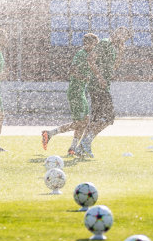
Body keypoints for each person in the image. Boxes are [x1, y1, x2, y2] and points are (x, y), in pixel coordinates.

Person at [79, 27, 131, 158]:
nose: (123, 38)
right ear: (116, 33)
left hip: (102, 86)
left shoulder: (113, 47)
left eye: (126, 37)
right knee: (109, 118)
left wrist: (120, 52)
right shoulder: (104, 43)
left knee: (96, 119)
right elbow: (90, 60)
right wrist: (100, 77)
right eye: (122, 34)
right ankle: (86, 142)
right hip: (98, 86)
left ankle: (81, 148)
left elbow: (114, 67)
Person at [42, 33, 97, 155]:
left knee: (84, 121)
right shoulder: (81, 54)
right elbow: (72, 70)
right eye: (93, 44)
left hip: (80, 91)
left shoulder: (88, 56)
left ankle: (72, 148)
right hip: (75, 92)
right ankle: (50, 133)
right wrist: (85, 78)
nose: (94, 47)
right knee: (81, 123)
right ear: (87, 43)